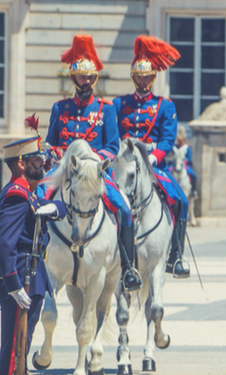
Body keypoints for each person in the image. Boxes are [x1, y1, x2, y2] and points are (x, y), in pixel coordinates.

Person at [45, 34, 142, 291]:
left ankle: (129, 268)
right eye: (81, 77)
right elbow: (50, 142)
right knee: (39, 200)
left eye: (89, 77)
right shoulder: (60, 108)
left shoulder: (106, 109)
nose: (85, 81)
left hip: (95, 172)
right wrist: (54, 153)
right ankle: (32, 257)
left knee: (123, 208)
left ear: (95, 78)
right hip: (63, 171)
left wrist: (95, 162)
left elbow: (112, 146)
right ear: (73, 78)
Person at [113, 35, 191, 278]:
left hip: (153, 167)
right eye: (139, 76)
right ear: (133, 76)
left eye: (147, 76)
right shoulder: (119, 104)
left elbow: (168, 140)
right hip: (124, 165)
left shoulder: (164, 106)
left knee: (180, 200)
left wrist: (154, 158)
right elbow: (113, 135)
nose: (143, 80)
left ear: (153, 77)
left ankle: (175, 256)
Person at [0, 123, 67, 373]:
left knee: (23, 346)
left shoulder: (29, 193)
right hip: (22, 278)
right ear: (20, 164)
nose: (43, 165)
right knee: (15, 348)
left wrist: (55, 208)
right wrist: (13, 285)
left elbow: (60, 208)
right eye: (36, 161)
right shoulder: (17, 195)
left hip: (33, 276)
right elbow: (5, 243)